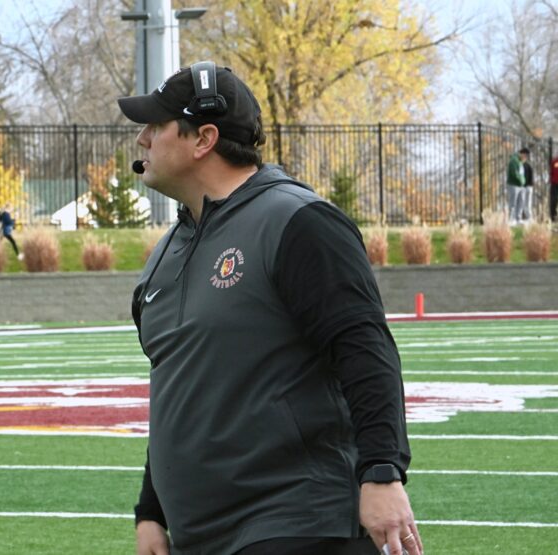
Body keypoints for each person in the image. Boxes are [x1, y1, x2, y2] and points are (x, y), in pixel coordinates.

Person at [118, 62, 421, 555]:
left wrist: (382, 473)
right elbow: (179, 383)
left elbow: (364, 348)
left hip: (297, 522)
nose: (142, 140)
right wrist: (150, 509)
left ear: (203, 139)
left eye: (156, 126)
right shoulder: (167, 252)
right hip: (200, 535)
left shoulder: (298, 221)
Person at [506, 148, 529, 225]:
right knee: (513, 202)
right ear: (522, 154)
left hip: (520, 185)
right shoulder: (514, 160)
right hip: (513, 184)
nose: (525, 158)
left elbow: (522, 174)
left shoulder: (520, 162)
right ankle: (511, 219)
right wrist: (521, 180)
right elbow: (514, 173)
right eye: (525, 156)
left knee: (521, 201)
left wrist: (523, 181)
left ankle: (518, 218)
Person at [521, 151, 533, 224]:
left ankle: (529, 219)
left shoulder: (524, 165)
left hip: (526, 187)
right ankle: (529, 219)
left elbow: (526, 177)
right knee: (527, 204)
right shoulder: (529, 165)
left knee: (526, 205)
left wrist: (523, 184)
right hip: (530, 186)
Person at [550, 155, 558, 224]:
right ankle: (553, 218)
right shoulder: (554, 161)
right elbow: (551, 172)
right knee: (554, 200)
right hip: (555, 184)